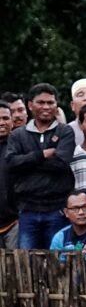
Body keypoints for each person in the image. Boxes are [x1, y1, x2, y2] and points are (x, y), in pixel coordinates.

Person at [6, 83, 75, 249]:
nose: (46, 107)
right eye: (41, 102)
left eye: (50, 103)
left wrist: (27, 160)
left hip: (56, 209)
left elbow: (61, 164)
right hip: (27, 210)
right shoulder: (17, 135)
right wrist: (41, 155)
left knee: (56, 261)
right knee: (26, 262)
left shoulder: (65, 131)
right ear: (30, 105)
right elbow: (12, 163)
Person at [0, 101, 18, 248]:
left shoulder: (21, 146)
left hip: (14, 223)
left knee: (16, 267)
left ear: (12, 121)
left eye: (6, 118)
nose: (2, 123)